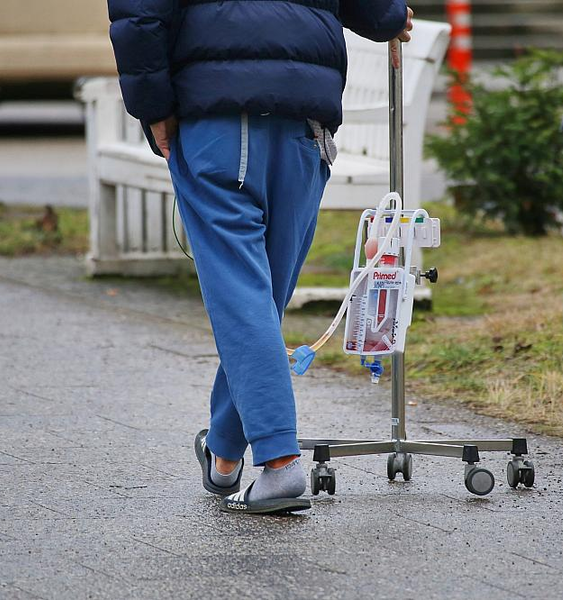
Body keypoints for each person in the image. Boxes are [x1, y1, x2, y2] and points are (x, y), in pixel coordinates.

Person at [108, 0, 413, 514]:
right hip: (305, 123)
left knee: (244, 297)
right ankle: (225, 453)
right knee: (260, 300)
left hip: (217, 121)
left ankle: (278, 461)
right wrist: (390, 14)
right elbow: (376, 10)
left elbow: (139, 18)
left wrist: (154, 108)